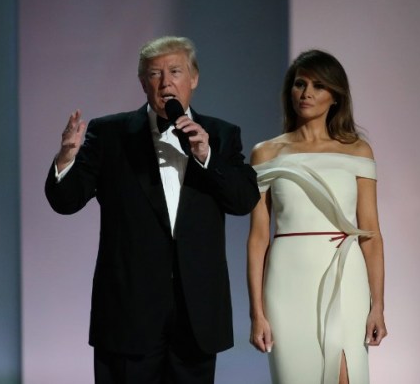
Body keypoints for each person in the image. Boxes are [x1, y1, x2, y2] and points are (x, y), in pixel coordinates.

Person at [45, 36, 260, 384]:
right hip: (128, 313)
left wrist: (206, 157)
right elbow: (66, 201)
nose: (166, 82)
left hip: (196, 316)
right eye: (155, 74)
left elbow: (243, 201)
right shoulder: (110, 134)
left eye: (175, 71)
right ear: (143, 83)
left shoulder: (220, 135)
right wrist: (66, 157)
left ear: (194, 78)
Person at [246, 50, 387, 384]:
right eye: (300, 84)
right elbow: (258, 238)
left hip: (345, 275)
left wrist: (378, 305)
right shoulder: (266, 153)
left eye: (318, 85)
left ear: (335, 96)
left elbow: (371, 234)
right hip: (286, 282)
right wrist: (256, 313)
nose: (307, 92)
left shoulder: (357, 150)